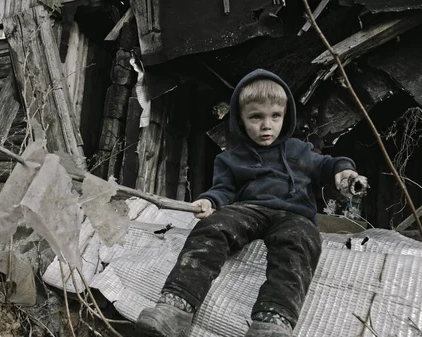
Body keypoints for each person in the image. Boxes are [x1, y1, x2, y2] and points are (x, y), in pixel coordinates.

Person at [135, 69, 365, 337]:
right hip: (249, 211)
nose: (267, 125)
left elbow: (328, 165)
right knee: (213, 227)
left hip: (294, 216)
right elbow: (223, 189)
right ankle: (175, 308)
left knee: (300, 242)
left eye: (275, 116)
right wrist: (209, 201)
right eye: (256, 117)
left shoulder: (298, 150)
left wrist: (344, 172)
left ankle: (272, 322)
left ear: (285, 116)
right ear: (241, 120)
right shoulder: (230, 159)